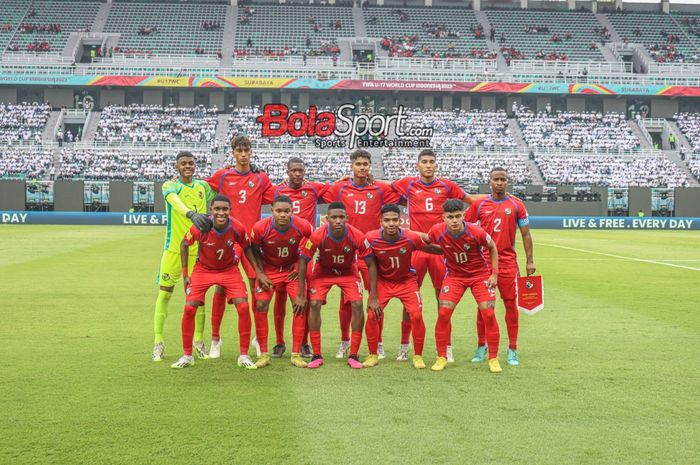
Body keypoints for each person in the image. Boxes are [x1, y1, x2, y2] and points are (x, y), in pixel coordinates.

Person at [389, 149, 480, 362]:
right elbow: (382, 184)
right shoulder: (409, 184)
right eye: (425, 162)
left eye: (432, 162)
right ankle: (404, 345)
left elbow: (472, 200)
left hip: (441, 251)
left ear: (436, 165)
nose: (428, 165)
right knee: (409, 299)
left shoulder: (447, 186)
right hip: (417, 250)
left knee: (444, 299)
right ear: (417, 165)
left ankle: (446, 347)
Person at [322, 150, 400, 359]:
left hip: (372, 252)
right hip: (348, 251)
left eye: (366, 164)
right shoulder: (340, 188)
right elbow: (314, 191)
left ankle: (378, 342)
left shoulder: (380, 189)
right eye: (358, 164)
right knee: (346, 301)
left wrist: (381, 179)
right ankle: (344, 341)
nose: (363, 167)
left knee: (377, 298)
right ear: (352, 166)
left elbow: (399, 191)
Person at [171, 195, 265, 370]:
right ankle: (187, 355)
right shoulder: (202, 226)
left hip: (229, 270)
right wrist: (185, 274)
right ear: (211, 210)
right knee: (189, 308)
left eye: (224, 209)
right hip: (203, 270)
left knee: (243, 307)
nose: (221, 213)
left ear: (230, 210)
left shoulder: (237, 227)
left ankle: (244, 355)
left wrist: (257, 272)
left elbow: (247, 247)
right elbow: (184, 244)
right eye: (217, 209)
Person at [205, 135, 274, 358]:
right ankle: (215, 339)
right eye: (239, 150)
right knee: (221, 287)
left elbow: (280, 194)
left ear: (251, 152)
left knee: (256, 288)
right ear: (232, 152)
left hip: (252, 243)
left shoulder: (260, 177)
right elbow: (200, 189)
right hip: (228, 241)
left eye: (247, 150)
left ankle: (256, 337)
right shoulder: (222, 176)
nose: (243, 154)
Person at [293, 202, 380, 369]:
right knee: (314, 303)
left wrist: (374, 296)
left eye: (341, 217)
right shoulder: (318, 235)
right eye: (334, 217)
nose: (338, 221)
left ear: (347, 218)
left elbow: (371, 264)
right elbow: (303, 261)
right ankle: (317, 354)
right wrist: (300, 294)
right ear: (327, 219)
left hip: (348, 272)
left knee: (356, 304)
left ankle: (353, 354)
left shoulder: (357, 235)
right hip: (323, 272)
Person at [465, 167, 535, 366]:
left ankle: (513, 348)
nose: (499, 183)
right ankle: (482, 345)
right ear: (489, 181)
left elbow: (526, 234)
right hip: (484, 263)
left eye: (503, 179)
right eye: (496, 179)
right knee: (484, 307)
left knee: (511, 305)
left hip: (507, 263)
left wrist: (530, 260)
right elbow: (466, 229)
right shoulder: (480, 205)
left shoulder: (516, 205)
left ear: (507, 181)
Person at [152, 151, 214, 362]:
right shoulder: (170, 186)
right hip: (174, 250)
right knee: (165, 294)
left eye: (191, 163)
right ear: (177, 167)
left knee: (198, 299)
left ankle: (198, 341)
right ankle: (158, 342)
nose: (188, 166)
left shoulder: (203, 187)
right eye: (184, 164)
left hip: (199, 251)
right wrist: (191, 214)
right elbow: (174, 202)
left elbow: (218, 204)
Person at [362, 204, 441, 369]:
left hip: (406, 281)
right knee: (371, 315)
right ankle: (373, 355)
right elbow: (370, 265)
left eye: (395, 220)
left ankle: (418, 356)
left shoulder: (410, 237)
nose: (391, 224)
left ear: (400, 221)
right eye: (387, 220)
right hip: (384, 282)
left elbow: (432, 249)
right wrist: (373, 296)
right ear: (380, 222)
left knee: (417, 315)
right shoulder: (371, 238)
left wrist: (452, 248)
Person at [427, 199, 501, 373]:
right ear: (443, 217)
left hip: (479, 275)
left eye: (458, 216)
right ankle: (441, 357)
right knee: (443, 313)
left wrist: (494, 273)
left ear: (464, 215)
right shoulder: (436, 230)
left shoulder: (476, 231)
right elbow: (425, 242)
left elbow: (492, 247)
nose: (454, 220)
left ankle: (493, 358)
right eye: (450, 217)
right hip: (455, 276)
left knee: (488, 314)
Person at [269, 157, 330, 358]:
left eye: (301, 170)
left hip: (304, 255)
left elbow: (338, 187)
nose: (297, 174)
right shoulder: (277, 191)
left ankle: (304, 343)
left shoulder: (313, 189)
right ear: (287, 170)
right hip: (280, 255)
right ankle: (279, 342)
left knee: (304, 298)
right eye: (294, 170)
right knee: (279, 298)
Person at [249, 195, 313, 368]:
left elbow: (312, 243)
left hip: (291, 270)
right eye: (279, 211)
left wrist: (299, 266)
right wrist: (260, 273)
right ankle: (263, 354)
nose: (283, 214)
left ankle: (296, 353)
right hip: (268, 270)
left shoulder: (302, 226)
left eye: (286, 211)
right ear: (272, 212)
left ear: (292, 211)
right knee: (261, 305)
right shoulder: (261, 227)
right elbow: (252, 249)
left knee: (300, 304)